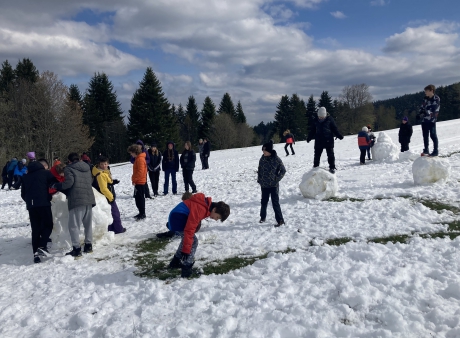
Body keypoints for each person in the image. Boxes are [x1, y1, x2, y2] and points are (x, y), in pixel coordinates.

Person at [156, 192, 230, 277]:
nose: (216, 219)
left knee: (187, 240)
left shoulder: (204, 205)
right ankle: (186, 268)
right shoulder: (201, 209)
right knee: (193, 242)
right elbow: (189, 230)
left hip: (176, 218)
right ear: (214, 210)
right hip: (178, 219)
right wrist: (186, 250)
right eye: (217, 217)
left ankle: (175, 262)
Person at [53, 152, 96, 257]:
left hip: (77, 200)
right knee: (87, 224)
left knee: (74, 226)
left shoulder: (69, 168)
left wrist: (57, 185)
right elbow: (90, 180)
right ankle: (88, 245)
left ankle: (76, 249)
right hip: (89, 198)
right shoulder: (87, 167)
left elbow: (69, 183)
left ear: (69, 161)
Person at [21, 158, 57, 263]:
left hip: (31, 205)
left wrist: (29, 201)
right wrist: (49, 196)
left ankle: (35, 255)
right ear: (42, 166)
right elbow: (54, 183)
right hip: (43, 203)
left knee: (35, 229)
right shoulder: (46, 173)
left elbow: (23, 193)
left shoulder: (25, 177)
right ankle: (42, 245)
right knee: (48, 225)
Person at [92, 156, 125, 233]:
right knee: (115, 213)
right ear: (99, 164)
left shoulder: (104, 171)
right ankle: (118, 229)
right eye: (102, 164)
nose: (104, 166)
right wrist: (111, 197)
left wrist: (112, 182)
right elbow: (103, 188)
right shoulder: (100, 174)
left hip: (106, 196)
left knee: (109, 212)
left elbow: (106, 181)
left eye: (105, 164)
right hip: (107, 196)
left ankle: (110, 228)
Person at [257, 140, 286, 227]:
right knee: (263, 202)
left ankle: (280, 220)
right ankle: (262, 217)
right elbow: (260, 170)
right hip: (264, 185)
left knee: (275, 203)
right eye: (263, 151)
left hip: (273, 185)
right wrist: (260, 180)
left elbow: (283, 170)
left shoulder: (276, 160)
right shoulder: (262, 158)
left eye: (265, 151)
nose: (263, 152)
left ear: (269, 151)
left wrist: (276, 179)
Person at [307, 107, 343, 174]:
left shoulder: (330, 119)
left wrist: (339, 135)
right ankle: (315, 167)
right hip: (319, 140)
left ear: (325, 115)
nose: (321, 118)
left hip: (328, 140)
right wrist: (309, 137)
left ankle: (332, 167)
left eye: (322, 117)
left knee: (330, 155)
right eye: (320, 117)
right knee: (317, 155)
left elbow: (334, 128)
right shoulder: (315, 120)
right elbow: (312, 130)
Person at [417, 84, 440, 156]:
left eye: (426, 91)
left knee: (433, 135)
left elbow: (434, 110)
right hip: (424, 121)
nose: (425, 92)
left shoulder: (436, 98)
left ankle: (435, 150)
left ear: (431, 91)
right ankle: (426, 149)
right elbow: (422, 107)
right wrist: (419, 113)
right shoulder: (425, 99)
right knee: (425, 135)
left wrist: (425, 112)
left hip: (431, 120)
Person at [128, 144, 147, 220]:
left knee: (140, 198)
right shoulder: (138, 159)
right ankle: (140, 212)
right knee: (138, 198)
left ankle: (142, 213)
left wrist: (134, 179)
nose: (131, 154)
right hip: (138, 181)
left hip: (140, 182)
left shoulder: (140, 159)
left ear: (135, 152)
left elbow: (140, 172)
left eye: (131, 153)